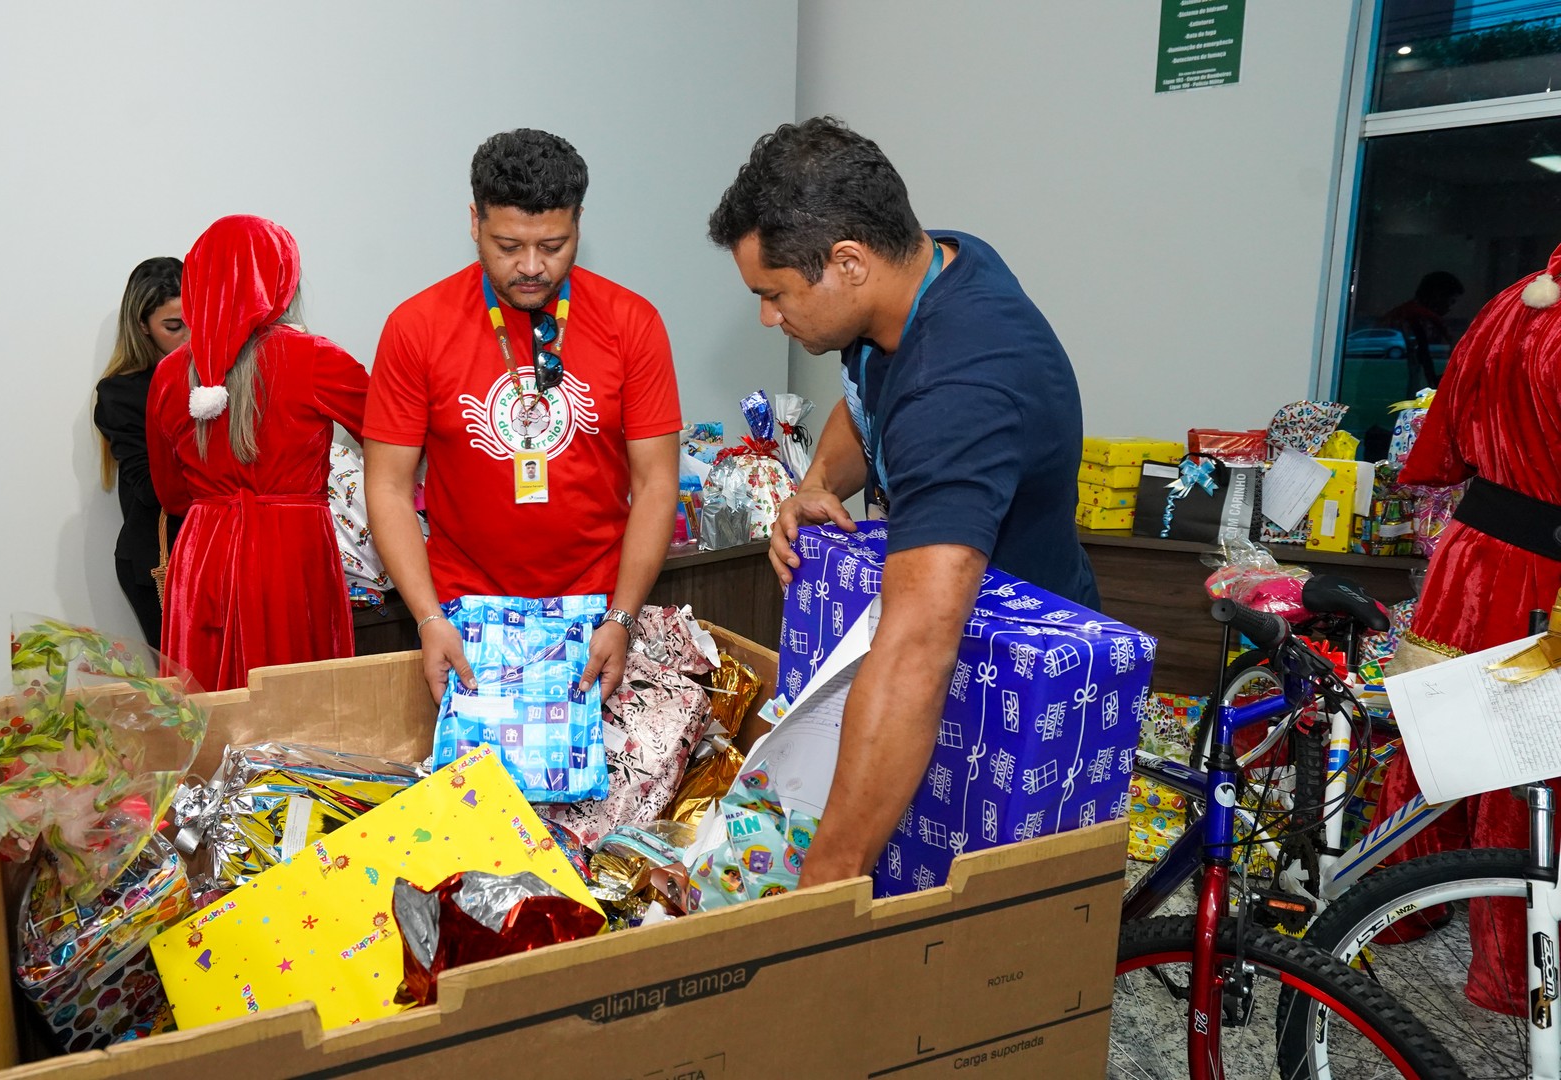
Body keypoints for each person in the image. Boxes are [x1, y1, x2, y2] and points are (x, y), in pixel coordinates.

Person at [705, 117, 1097, 890]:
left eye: (774, 293)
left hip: (1020, 681)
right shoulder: (924, 270)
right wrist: (817, 482)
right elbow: (867, 401)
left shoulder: (962, 385)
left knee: (979, 931)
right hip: (944, 652)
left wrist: (830, 879)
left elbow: (918, 647)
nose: (766, 316)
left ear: (847, 262)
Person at [364, 129, 681, 705]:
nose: (532, 267)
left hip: (599, 605)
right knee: (481, 793)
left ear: (580, 221)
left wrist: (623, 615)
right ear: (474, 222)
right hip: (465, 612)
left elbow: (657, 483)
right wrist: (429, 618)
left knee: (600, 791)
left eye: (554, 245)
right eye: (508, 246)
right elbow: (386, 485)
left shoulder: (632, 323)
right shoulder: (417, 327)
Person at [1372, 242, 1561, 1015]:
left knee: (1439, 739)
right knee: (1534, 768)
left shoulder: (1509, 302)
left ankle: (1396, 909)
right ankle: (1515, 970)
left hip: (1473, 555)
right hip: (1546, 578)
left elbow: (1441, 442)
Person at [146, 215, 369, 692]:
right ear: (282, 280)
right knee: (302, 703)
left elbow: (170, 493)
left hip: (204, 551)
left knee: (206, 709)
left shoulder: (167, 376)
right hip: (292, 550)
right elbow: (393, 438)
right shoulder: (315, 359)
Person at [94, 257, 188, 649]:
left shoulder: (223, 373)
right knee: (190, 691)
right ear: (141, 327)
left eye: (198, 318)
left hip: (212, 551)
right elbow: (154, 489)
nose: (189, 335)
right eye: (173, 326)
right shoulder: (122, 393)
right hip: (160, 561)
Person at [1382, 270, 1464, 389]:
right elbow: (1423, 356)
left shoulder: (1402, 313)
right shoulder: (1420, 318)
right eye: (1450, 301)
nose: (1450, 307)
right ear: (1438, 296)